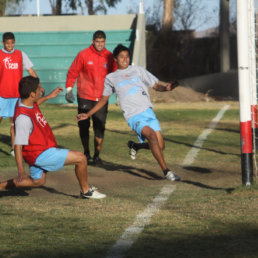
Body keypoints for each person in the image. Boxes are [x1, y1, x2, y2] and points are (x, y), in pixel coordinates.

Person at [76, 44, 180, 181]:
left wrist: (166, 88)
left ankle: (135, 145)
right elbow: (103, 100)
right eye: (121, 57)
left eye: (127, 56)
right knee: (152, 136)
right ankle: (167, 172)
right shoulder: (111, 78)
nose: (125, 59)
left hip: (148, 112)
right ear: (115, 59)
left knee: (160, 146)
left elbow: (156, 86)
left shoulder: (138, 70)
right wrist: (88, 114)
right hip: (133, 115)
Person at [0, 76, 106, 199]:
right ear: (32, 94)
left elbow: (34, 104)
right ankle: (86, 191)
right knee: (81, 158)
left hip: (36, 152)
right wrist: (21, 172)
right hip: (41, 153)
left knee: (38, 181)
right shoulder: (23, 119)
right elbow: (18, 146)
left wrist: (48, 97)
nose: (41, 90)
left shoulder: (23, 102)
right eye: (39, 88)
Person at [65, 30, 117, 164]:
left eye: (102, 41)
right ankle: (86, 152)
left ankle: (97, 155)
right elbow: (72, 72)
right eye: (97, 41)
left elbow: (116, 75)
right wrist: (69, 90)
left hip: (101, 99)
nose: (100, 44)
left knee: (99, 127)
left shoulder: (110, 57)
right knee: (83, 125)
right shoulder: (83, 55)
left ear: (105, 42)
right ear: (93, 41)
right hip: (85, 96)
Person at [0, 32, 41, 156]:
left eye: (12, 43)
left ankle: (14, 149)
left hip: (17, 95)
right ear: (3, 43)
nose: (10, 45)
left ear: (14, 42)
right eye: (7, 43)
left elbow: (30, 70)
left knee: (14, 123)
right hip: (2, 95)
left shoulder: (20, 54)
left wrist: (38, 85)